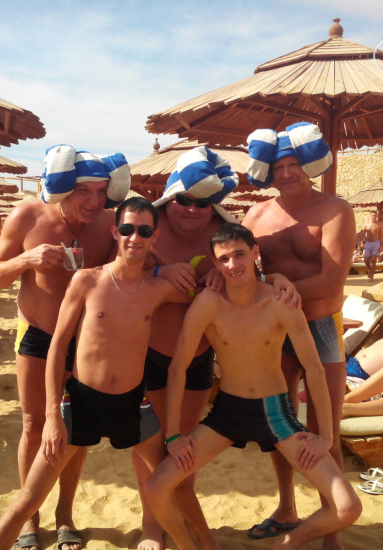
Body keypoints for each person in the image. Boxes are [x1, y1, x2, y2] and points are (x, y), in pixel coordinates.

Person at [0, 197, 216, 550]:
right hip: (80, 404)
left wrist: (223, 275)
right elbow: (58, 348)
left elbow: (210, 294)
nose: (134, 237)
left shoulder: (158, 289)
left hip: (133, 406)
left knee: (178, 485)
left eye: (144, 231)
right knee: (26, 501)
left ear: (154, 238)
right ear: (114, 232)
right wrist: (52, 417)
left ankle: (210, 546)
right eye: (127, 229)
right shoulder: (87, 281)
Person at [145, 223, 361, 550]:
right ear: (215, 263)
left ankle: (285, 545)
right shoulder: (208, 304)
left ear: (255, 252)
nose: (233, 264)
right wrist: (173, 435)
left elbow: (315, 370)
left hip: (275, 413)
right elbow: (178, 369)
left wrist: (326, 437)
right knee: (155, 489)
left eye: (239, 255)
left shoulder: (280, 301)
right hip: (227, 413)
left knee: (348, 507)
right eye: (224, 259)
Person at [0, 145, 131, 550]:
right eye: (84, 190)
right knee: (35, 424)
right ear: (64, 186)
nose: (94, 200)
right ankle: (29, 518)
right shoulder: (28, 216)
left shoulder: (109, 223)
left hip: (83, 339)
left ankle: (65, 513)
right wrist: (27, 260)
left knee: (75, 429)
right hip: (37, 332)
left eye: (100, 191)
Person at [242, 122, 355, 546]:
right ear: (268, 172)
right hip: (274, 330)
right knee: (281, 423)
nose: (286, 173)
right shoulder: (256, 215)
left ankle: (332, 525)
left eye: (293, 165)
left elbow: (331, 281)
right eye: (278, 167)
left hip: (321, 324)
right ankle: (287, 507)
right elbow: (241, 269)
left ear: (307, 165)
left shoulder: (335, 209)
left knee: (326, 426)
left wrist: (276, 291)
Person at [132, 145, 239, 550]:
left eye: (203, 202)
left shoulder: (223, 233)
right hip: (151, 351)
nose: (192, 209)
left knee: (186, 445)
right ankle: (151, 525)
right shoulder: (148, 224)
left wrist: (225, 279)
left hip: (197, 356)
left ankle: (183, 517)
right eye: (184, 200)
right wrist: (159, 270)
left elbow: (250, 272)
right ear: (170, 197)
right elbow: (116, 273)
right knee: (151, 447)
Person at [362, 211, 383, 280]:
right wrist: (362, 241)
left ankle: (371, 276)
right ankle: (371, 271)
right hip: (368, 243)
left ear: (376, 216)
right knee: (366, 260)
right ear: (370, 216)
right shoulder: (366, 224)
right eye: (373, 215)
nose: (374, 217)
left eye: (375, 215)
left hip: (376, 243)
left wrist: (381, 246)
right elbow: (363, 234)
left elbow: (381, 236)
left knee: (374, 259)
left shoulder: (379, 225)